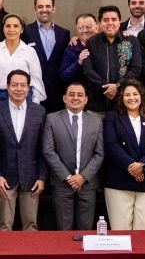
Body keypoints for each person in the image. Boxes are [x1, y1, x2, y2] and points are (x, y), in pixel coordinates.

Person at [102, 80, 145, 230]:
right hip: (119, 181)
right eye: (127, 94)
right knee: (120, 230)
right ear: (121, 98)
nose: (132, 98)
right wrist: (132, 166)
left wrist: (142, 166)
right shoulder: (112, 117)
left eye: (135, 94)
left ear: (142, 96)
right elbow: (112, 145)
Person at [0, 70, 48, 231]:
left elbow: (44, 147)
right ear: (7, 87)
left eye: (23, 85)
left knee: (31, 226)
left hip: (32, 178)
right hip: (4, 178)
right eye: (14, 85)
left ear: (29, 88)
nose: (19, 89)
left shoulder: (39, 112)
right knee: (4, 226)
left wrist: (42, 177)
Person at [42, 82, 104, 230]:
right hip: (62, 182)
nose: (75, 98)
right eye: (71, 94)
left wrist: (83, 176)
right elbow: (48, 150)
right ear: (64, 98)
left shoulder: (96, 121)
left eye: (80, 95)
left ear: (86, 100)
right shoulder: (52, 119)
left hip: (88, 183)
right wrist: (68, 177)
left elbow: (99, 153)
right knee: (64, 230)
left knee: (86, 229)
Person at [83, 5, 142, 115]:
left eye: (114, 19)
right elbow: (88, 70)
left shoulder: (131, 41)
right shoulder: (92, 42)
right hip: (97, 104)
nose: (110, 23)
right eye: (106, 20)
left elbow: (136, 69)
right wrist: (107, 87)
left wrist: (117, 85)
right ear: (100, 23)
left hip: (123, 105)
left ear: (120, 22)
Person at [0, 13, 46, 104]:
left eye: (16, 26)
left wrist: (35, 102)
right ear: (3, 29)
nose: (11, 30)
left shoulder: (29, 51)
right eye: (8, 26)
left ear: (22, 29)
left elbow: (36, 79)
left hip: (24, 98)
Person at [23, 0, 71, 113]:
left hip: (58, 91)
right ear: (34, 9)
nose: (44, 10)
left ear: (54, 9)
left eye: (48, 6)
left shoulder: (64, 33)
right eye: (40, 7)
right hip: (34, 91)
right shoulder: (25, 32)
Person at [59, 13, 98, 85]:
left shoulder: (104, 45)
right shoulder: (70, 49)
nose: (85, 31)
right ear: (77, 30)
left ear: (97, 28)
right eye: (81, 28)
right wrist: (78, 62)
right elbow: (63, 76)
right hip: (79, 92)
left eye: (88, 27)